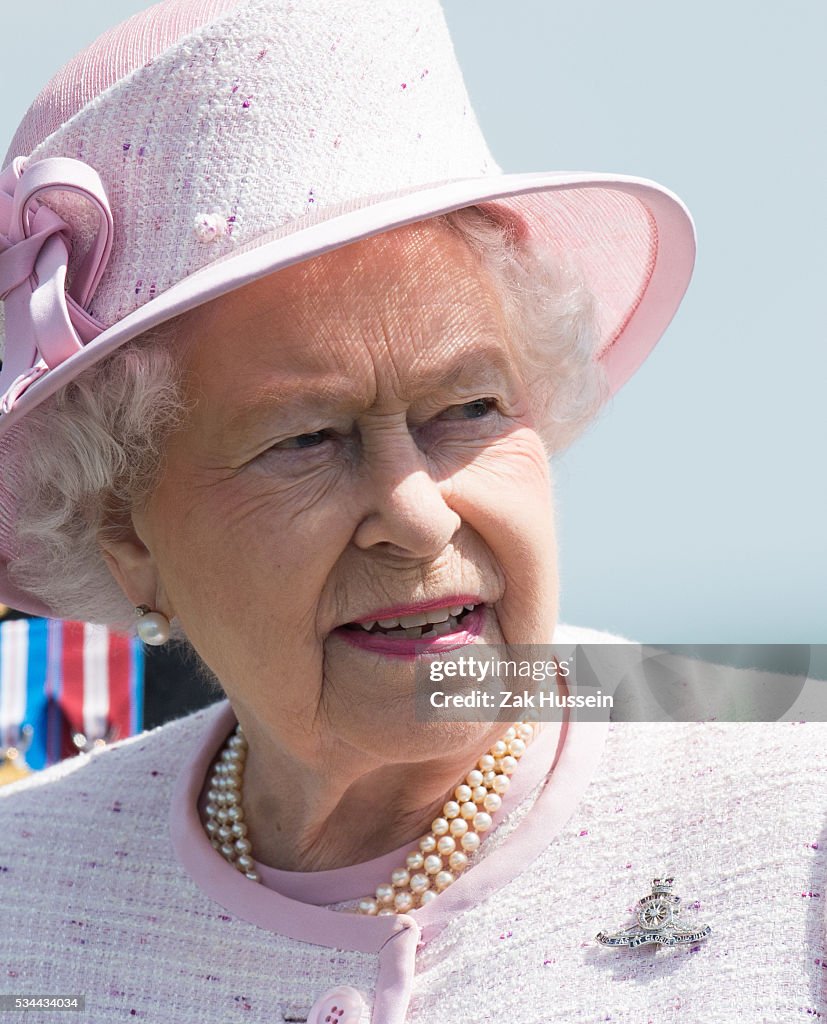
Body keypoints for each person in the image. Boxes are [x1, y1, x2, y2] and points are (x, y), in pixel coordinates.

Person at [0, 1, 823, 1021]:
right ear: (123, 529)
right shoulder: (20, 892)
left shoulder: (796, 796)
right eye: (304, 438)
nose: (418, 516)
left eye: (468, 408)